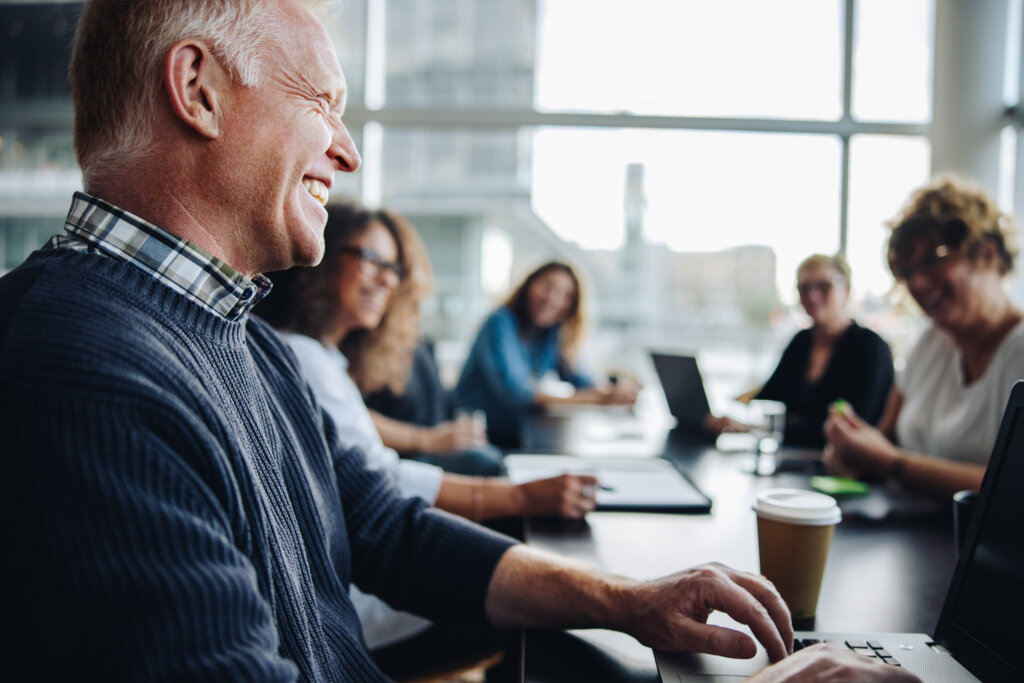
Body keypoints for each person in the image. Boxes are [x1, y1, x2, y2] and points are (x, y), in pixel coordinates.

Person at [0, 1, 918, 681]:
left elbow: (387, 530)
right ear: (196, 88)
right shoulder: (83, 372)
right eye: (321, 101)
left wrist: (635, 602)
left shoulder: (245, 342)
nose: (348, 152)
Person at [256, 201, 605, 648]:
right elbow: (380, 491)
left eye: (394, 268)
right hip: (349, 594)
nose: (388, 279)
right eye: (371, 259)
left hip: (359, 566)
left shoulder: (323, 357)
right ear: (320, 257)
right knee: (538, 595)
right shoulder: (300, 358)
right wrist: (521, 496)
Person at [824, 176, 1024, 499]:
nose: (917, 283)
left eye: (932, 260)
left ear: (988, 255)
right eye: (907, 272)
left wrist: (892, 464)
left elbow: (1014, 492)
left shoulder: (1018, 351)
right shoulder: (928, 344)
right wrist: (853, 446)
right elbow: (886, 438)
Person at [454, 261, 640, 447]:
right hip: (477, 436)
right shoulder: (499, 322)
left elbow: (578, 375)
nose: (553, 299)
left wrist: (611, 392)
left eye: (566, 295)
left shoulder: (549, 333)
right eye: (547, 286)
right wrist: (598, 398)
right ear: (529, 284)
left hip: (521, 432)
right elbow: (518, 394)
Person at [752, 254, 894, 447]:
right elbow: (766, 403)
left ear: (846, 289)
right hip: (791, 459)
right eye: (804, 288)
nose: (812, 296)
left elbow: (853, 427)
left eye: (824, 286)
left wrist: (783, 425)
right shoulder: (801, 341)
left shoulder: (869, 346)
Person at [365, 338, 507, 476]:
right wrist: (430, 440)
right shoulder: (368, 347)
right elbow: (359, 418)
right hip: (404, 455)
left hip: (434, 445)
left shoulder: (423, 345)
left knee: (496, 456)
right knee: (483, 462)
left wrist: (459, 433)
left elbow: (444, 403)